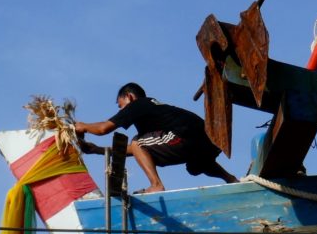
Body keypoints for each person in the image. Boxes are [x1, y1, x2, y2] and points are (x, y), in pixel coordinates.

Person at [74, 82, 237, 193]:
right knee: (196, 165)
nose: (120, 109)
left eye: (121, 104)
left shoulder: (138, 104)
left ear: (129, 97)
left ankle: (156, 185)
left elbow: (104, 128)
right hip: (207, 139)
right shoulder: (153, 111)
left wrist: (83, 126)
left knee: (137, 141)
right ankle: (230, 179)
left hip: (184, 135)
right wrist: (97, 150)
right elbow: (139, 150)